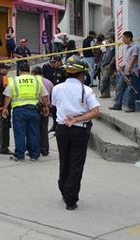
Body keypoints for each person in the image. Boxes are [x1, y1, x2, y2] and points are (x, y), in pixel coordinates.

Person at [51, 55, 100, 210]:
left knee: (64, 160)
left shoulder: (57, 88)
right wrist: (77, 119)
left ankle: (64, 188)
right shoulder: (86, 90)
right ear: (82, 74)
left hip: (61, 130)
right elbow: (95, 111)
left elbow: (56, 105)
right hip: (79, 131)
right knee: (76, 164)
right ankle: (70, 199)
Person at [1, 61, 49, 161]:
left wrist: (5, 108)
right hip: (34, 110)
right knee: (34, 133)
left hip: (19, 111)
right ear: (29, 70)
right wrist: (46, 107)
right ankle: (34, 155)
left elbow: (8, 96)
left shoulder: (14, 80)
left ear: (19, 70)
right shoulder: (37, 81)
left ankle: (19, 155)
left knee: (20, 133)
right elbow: (44, 96)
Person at [110, 31, 139, 113]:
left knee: (131, 90)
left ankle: (131, 107)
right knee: (119, 87)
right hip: (125, 72)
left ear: (129, 38)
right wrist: (122, 66)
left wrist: (128, 70)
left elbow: (134, 59)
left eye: (123, 38)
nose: (122, 39)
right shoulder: (125, 47)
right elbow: (127, 60)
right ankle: (117, 105)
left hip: (132, 72)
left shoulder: (135, 47)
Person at [32, 66, 54, 156]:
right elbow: (52, 96)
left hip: (35, 107)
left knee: (34, 129)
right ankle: (45, 149)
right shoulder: (49, 82)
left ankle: (35, 149)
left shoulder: (33, 81)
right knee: (44, 129)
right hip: (46, 107)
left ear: (33, 73)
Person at [42, 56, 66, 132]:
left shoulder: (64, 70)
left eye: (54, 62)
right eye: (52, 62)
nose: (53, 64)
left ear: (59, 62)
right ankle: (54, 126)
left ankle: (59, 127)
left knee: (60, 111)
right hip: (55, 93)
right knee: (54, 111)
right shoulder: (55, 70)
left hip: (62, 93)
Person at [0, 62, 12, 155]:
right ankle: (4, 148)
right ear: (1, 69)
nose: (7, 70)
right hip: (4, 107)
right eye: (5, 69)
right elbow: (7, 92)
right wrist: (5, 107)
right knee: (5, 128)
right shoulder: (5, 78)